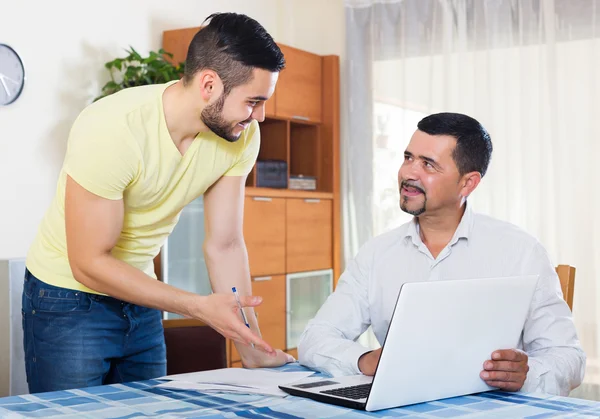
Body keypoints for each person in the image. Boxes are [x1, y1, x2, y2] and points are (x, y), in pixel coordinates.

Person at [22, 12, 294, 394]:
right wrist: (198, 307)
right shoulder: (114, 128)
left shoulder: (240, 137)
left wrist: (250, 345)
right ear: (209, 84)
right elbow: (88, 262)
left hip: (141, 296)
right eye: (253, 102)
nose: (260, 116)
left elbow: (225, 244)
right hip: (67, 297)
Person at [298, 112, 585, 396]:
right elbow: (315, 339)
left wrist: (527, 373)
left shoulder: (521, 252)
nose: (408, 173)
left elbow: (569, 358)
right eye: (408, 157)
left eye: (428, 165)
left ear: (468, 183)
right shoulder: (377, 254)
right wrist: (363, 360)